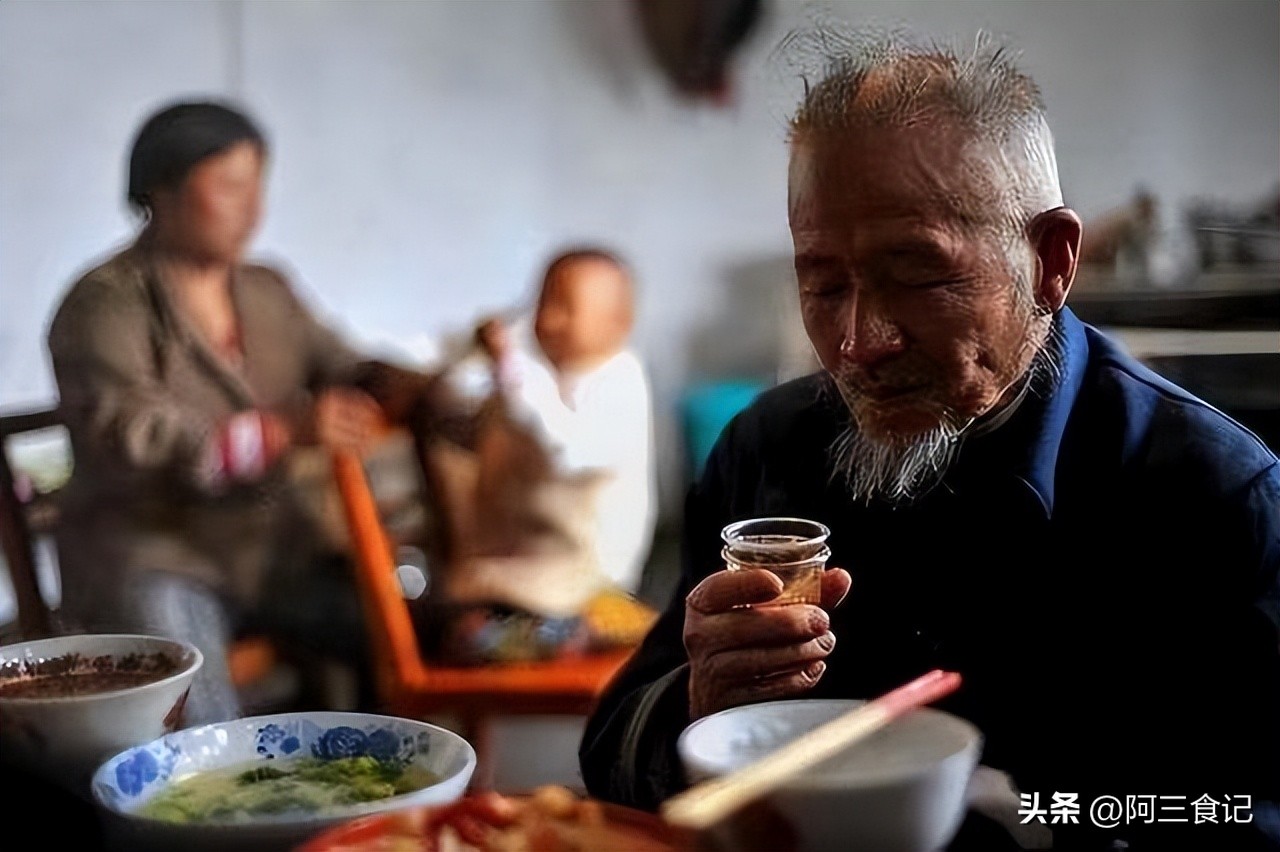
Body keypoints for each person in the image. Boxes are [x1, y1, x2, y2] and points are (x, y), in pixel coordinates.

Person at [579, 32, 1280, 852]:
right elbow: (609, 755)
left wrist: (1042, 814)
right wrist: (698, 705)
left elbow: (1251, 816)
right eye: (824, 282)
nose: (858, 341)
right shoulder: (766, 452)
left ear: (1051, 262)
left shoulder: (1210, 494)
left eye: (918, 273)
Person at [46, 100, 439, 725]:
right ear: (161, 190)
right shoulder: (104, 306)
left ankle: (373, 799)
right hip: (156, 557)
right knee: (193, 693)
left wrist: (415, 385)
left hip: (270, 555)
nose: (253, 205)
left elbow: (339, 360)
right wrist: (283, 429)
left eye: (258, 183)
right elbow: (131, 436)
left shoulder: (265, 289)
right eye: (229, 185)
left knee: (407, 621)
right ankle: (219, 814)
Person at [410, 248, 660, 664]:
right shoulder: (537, 376)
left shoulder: (621, 382)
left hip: (582, 582)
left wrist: (511, 369)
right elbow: (451, 398)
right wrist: (483, 354)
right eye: (542, 304)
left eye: (566, 308)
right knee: (455, 621)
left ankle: (571, 634)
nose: (549, 320)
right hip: (508, 578)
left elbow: (564, 452)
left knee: (477, 635)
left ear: (619, 324)